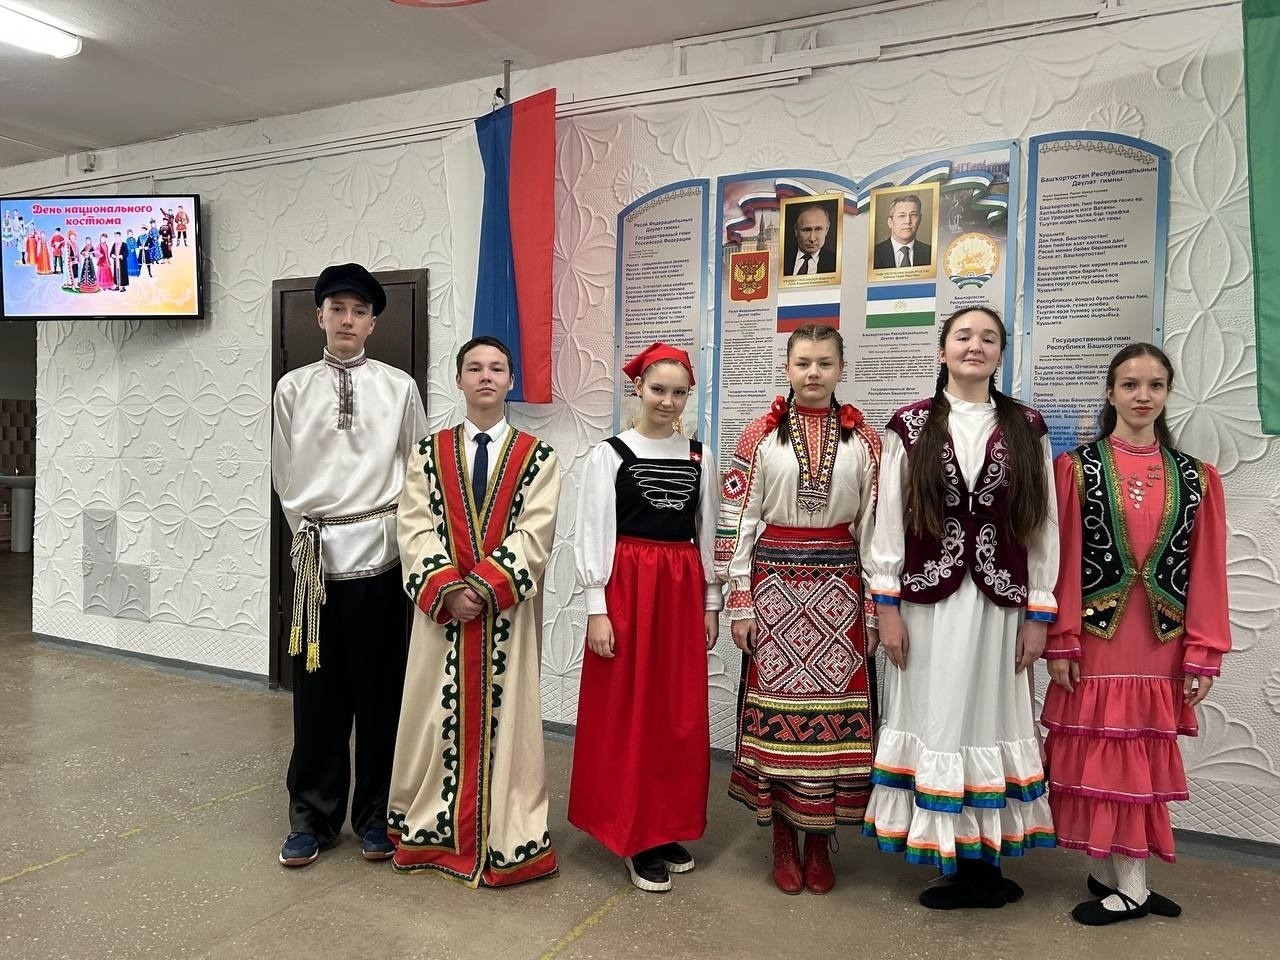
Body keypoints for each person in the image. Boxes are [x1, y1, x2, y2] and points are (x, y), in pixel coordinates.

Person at [862, 306, 1057, 909]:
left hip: (1000, 606)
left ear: (1001, 353)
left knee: (991, 719)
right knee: (939, 719)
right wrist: (886, 607)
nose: (976, 346)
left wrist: (1039, 610)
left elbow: (1043, 523)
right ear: (942, 349)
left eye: (989, 338)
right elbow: (887, 519)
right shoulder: (909, 425)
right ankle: (950, 859)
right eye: (964, 336)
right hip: (928, 605)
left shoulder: (1026, 426)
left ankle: (984, 864)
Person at [1041, 343, 1231, 926]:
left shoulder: (1197, 477)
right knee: (1102, 758)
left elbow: (1207, 569)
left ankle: (1131, 885)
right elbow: (1060, 561)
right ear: (1110, 392)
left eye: (1154, 385)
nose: (1142, 396)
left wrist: (1203, 650)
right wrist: (1061, 637)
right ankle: (1115, 876)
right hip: (1096, 639)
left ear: (1168, 393)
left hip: (1161, 643)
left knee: (1138, 760)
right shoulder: (1075, 468)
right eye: (1130, 385)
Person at [388, 335, 562, 888]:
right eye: (475, 368)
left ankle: (507, 831)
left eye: (497, 368)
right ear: (459, 379)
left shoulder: (539, 456)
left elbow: (536, 532)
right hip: (442, 617)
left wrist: (484, 588)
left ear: (511, 380)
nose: (486, 376)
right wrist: (447, 589)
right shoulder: (427, 453)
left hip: (506, 617)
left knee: (510, 722)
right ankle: (433, 826)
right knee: (432, 715)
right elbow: (413, 526)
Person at [271, 262, 427, 868]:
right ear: (320, 316)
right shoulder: (293, 388)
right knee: (317, 698)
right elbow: (285, 473)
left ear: (372, 322)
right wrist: (309, 537)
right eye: (337, 308)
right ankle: (311, 817)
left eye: (359, 311)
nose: (347, 319)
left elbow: (417, 469)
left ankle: (377, 816)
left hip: (382, 559)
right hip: (315, 560)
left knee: (381, 697)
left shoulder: (399, 387)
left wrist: (406, 544)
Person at [716, 323, 881, 895]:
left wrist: (874, 610)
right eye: (803, 362)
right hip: (774, 591)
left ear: (841, 368)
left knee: (834, 726)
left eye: (824, 363)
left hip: (841, 593)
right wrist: (739, 602)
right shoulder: (760, 434)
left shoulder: (865, 440)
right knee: (777, 722)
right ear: (787, 368)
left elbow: (877, 529)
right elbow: (736, 521)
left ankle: (819, 842)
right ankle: (783, 839)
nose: (814, 373)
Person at [569, 342, 721, 893]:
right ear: (638, 389)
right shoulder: (610, 454)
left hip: (680, 590)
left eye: (679, 392)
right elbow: (593, 533)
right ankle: (631, 833)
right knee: (628, 713)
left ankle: (665, 825)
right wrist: (597, 610)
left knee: (675, 713)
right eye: (658, 389)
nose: (668, 401)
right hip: (628, 589)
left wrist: (710, 602)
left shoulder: (700, 457)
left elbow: (707, 531)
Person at [872, 194, 932, 269]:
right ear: (890, 222)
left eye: (913, 215)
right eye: (902, 216)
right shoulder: (874, 253)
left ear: (920, 219)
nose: (908, 221)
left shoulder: (930, 253)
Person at [782, 203, 837, 276]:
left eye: (818, 229)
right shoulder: (781, 256)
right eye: (806, 230)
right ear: (796, 230)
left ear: (827, 229)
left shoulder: (836, 261)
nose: (812, 239)